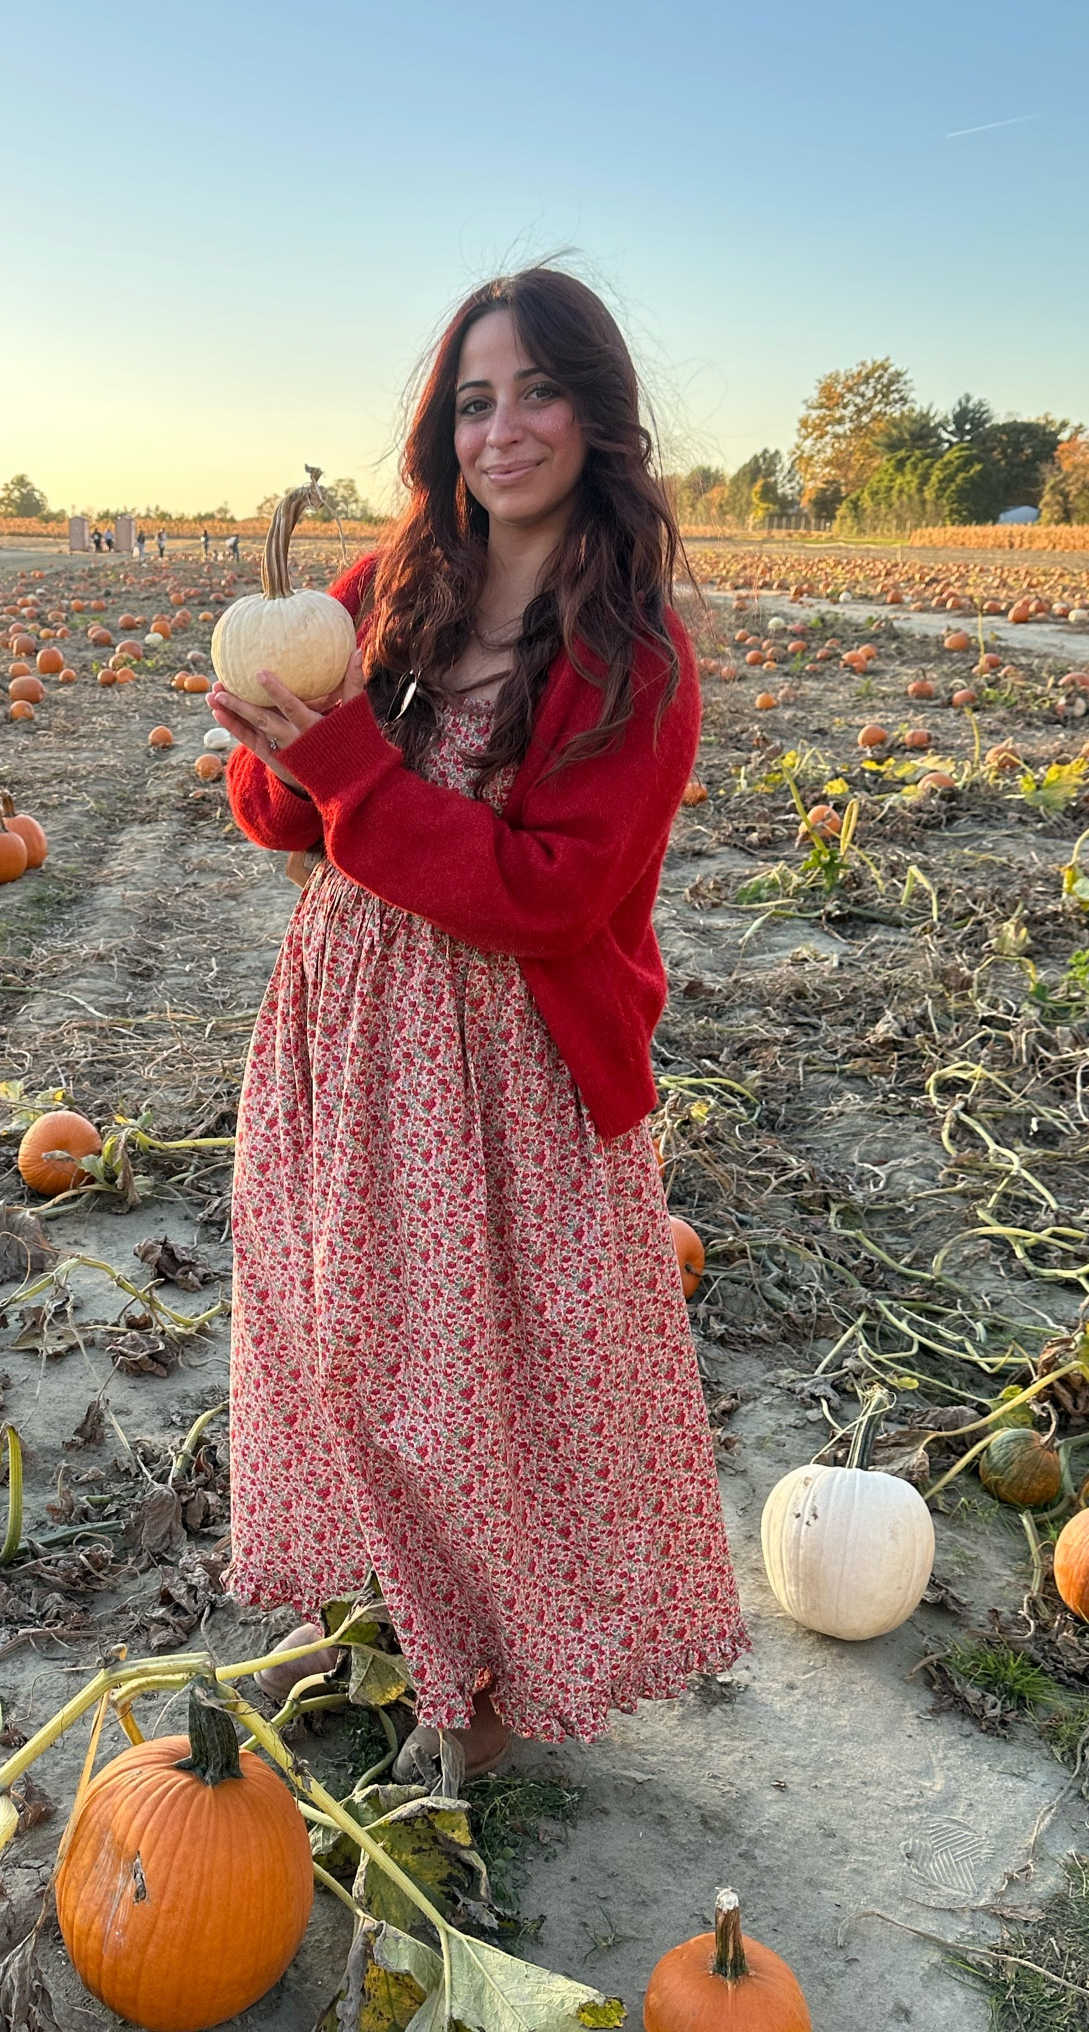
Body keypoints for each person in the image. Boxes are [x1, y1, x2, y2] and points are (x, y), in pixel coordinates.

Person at [208, 265, 746, 1787]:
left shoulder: (633, 653)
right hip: (347, 1016)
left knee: (471, 1377)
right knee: (326, 1334)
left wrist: (349, 774)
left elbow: (550, 897)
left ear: (598, 413)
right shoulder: (390, 584)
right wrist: (273, 745)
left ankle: (497, 1672)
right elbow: (295, 825)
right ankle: (388, 1596)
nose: (502, 429)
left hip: (503, 1057)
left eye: (537, 392)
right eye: (473, 399)